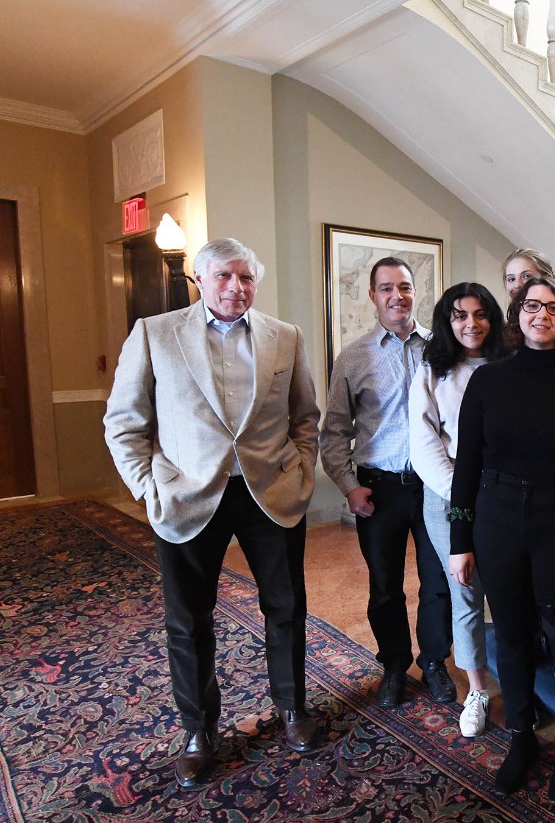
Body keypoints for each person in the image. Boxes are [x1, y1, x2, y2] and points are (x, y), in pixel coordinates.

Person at [103, 238, 323, 788]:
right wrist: (146, 489)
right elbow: (124, 422)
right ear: (201, 279)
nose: (237, 288)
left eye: (247, 278)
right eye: (225, 276)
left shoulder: (285, 336)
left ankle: (292, 708)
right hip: (186, 495)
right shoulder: (155, 334)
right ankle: (199, 730)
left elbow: (305, 416)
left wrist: (300, 471)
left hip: (268, 494)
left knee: (286, 606)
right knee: (188, 620)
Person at [449, 277, 555, 803]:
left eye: (552, 308)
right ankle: (521, 737)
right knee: (512, 635)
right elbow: (467, 468)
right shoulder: (487, 382)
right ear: (517, 316)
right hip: (497, 520)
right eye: (531, 306)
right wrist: (460, 537)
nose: (540, 315)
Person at [319, 257, 456, 710]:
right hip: (379, 489)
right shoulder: (354, 357)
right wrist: (348, 487)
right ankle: (394, 665)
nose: (397, 296)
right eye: (386, 288)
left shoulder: (442, 348)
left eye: (405, 286)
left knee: (439, 581)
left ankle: (434, 662)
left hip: (434, 486)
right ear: (373, 296)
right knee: (385, 584)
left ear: (416, 292)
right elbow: (335, 431)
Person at [408, 282, 509, 737]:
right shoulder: (432, 371)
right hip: (448, 497)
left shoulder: (511, 365)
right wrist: (465, 494)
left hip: (505, 496)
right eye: (460, 315)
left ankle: (522, 680)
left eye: (481, 313)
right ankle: (477, 689)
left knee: (510, 590)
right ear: (447, 322)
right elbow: (424, 444)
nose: (472, 324)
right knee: (465, 592)